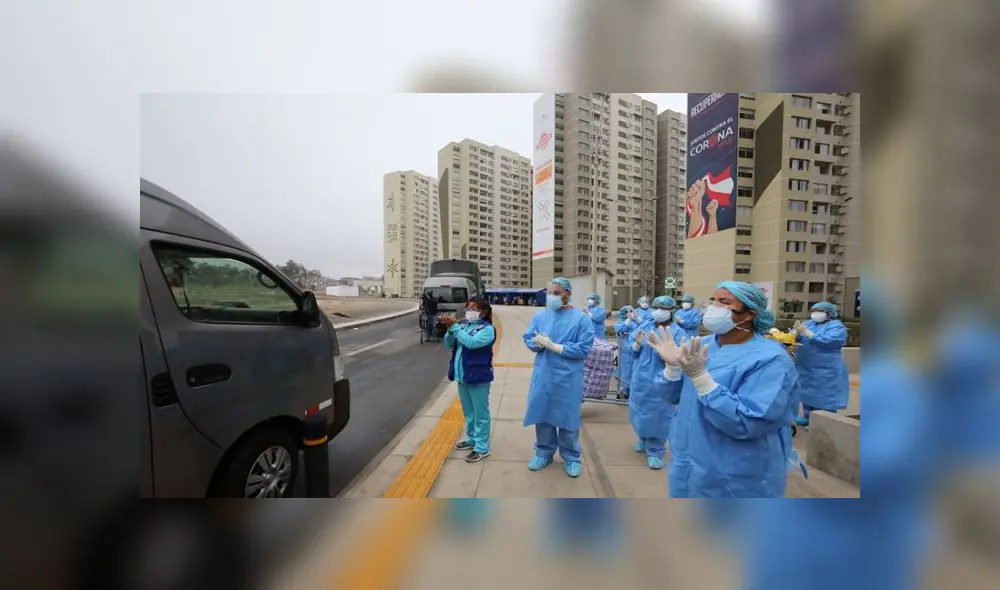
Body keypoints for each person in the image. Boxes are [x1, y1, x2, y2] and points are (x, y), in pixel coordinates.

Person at [649, 281, 804, 498]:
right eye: (713, 300)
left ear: (748, 314)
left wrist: (702, 379)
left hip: (736, 472)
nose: (713, 307)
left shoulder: (771, 359)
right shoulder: (701, 345)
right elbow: (674, 397)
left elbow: (750, 421)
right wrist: (673, 368)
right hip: (688, 462)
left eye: (724, 302)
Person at [522, 278, 595, 478]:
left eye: (557, 292)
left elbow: (584, 348)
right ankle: (543, 452)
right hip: (544, 374)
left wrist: (556, 346)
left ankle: (571, 457)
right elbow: (529, 337)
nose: (552, 295)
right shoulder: (541, 316)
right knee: (542, 414)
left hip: (568, 377)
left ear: (567, 294)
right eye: (549, 292)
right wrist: (537, 342)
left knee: (567, 417)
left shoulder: (581, 319)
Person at [629, 296, 684, 469]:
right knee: (638, 409)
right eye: (656, 307)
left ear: (670, 311)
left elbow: (681, 359)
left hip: (662, 381)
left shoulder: (678, 333)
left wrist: (664, 353)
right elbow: (634, 350)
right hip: (641, 379)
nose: (657, 311)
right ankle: (643, 437)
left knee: (658, 415)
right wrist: (636, 345)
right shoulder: (645, 326)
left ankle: (656, 450)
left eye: (662, 308)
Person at [441, 299, 497, 462]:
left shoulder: (487, 330)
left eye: (474, 308)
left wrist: (456, 327)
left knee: (481, 413)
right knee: (469, 412)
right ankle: (472, 438)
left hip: (478, 376)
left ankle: (481, 447)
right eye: (468, 308)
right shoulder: (464, 326)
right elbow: (449, 344)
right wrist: (449, 328)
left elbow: (471, 343)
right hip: (462, 376)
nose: (469, 311)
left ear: (484, 312)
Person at [791, 302, 849, 427]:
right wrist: (795, 334)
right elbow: (801, 339)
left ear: (829, 313)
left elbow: (828, 341)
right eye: (813, 311)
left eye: (820, 311)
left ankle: (823, 421)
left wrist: (807, 333)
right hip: (806, 365)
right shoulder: (809, 324)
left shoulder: (837, 327)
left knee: (824, 395)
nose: (815, 314)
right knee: (807, 393)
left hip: (826, 368)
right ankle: (808, 417)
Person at [613, 306, 637, 399]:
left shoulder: (636, 323)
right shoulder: (620, 322)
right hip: (623, 351)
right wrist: (627, 320)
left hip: (634, 350)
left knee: (633, 370)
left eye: (632, 312)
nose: (631, 313)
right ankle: (623, 391)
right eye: (629, 312)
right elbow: (619, 329)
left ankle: (632, 391)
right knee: (624, 371)